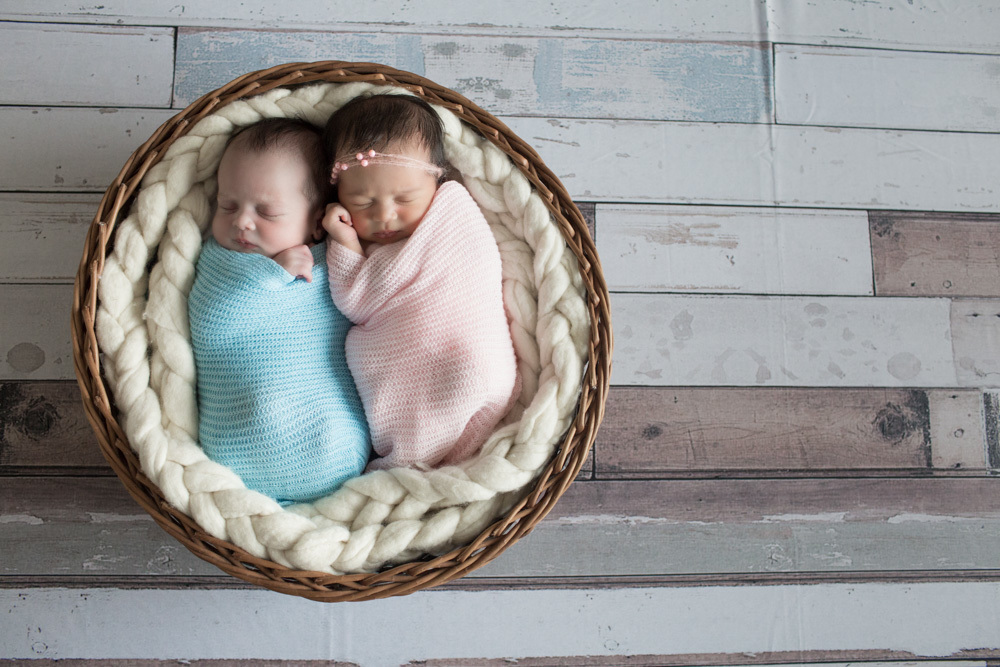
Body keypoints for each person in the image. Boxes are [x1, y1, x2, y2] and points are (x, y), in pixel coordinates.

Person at [321, 93, 519, 470]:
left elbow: (357, 297)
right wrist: (344, 237)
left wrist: (346, 243)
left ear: (437, 179)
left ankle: (414, 455)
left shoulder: (455, 216)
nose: (385, 216)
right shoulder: (366, 244)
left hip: (473, 352)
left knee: (473, 372)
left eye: (405, 198)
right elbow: (356, 303)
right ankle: (414, 449)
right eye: (362, 203)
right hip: (409, 361)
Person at [188, 117, 370, 504]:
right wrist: (269, 277)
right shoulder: (224, 261)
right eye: (227, 205)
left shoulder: (333, 255)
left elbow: (366, 305)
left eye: (267, 213)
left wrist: (349, 243)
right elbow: (211, 326)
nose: (241, 222)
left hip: (334, 439)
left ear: (318, 221)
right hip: (240, 442)